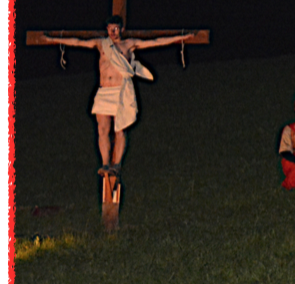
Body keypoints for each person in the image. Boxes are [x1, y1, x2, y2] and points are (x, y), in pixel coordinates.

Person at [42, 15, 196, 176]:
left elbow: (156, 42)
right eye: (110, 29)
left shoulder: (128, 44)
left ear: (122, 29)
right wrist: (52, 39)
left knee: (120, 129)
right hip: (104, 91)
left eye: (116, 29)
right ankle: (105, 164)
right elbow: (77, 42)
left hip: (120, 91)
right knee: (102, 129)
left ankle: (116, 165)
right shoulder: (101, 44)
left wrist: (182, 37)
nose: (113, 32)